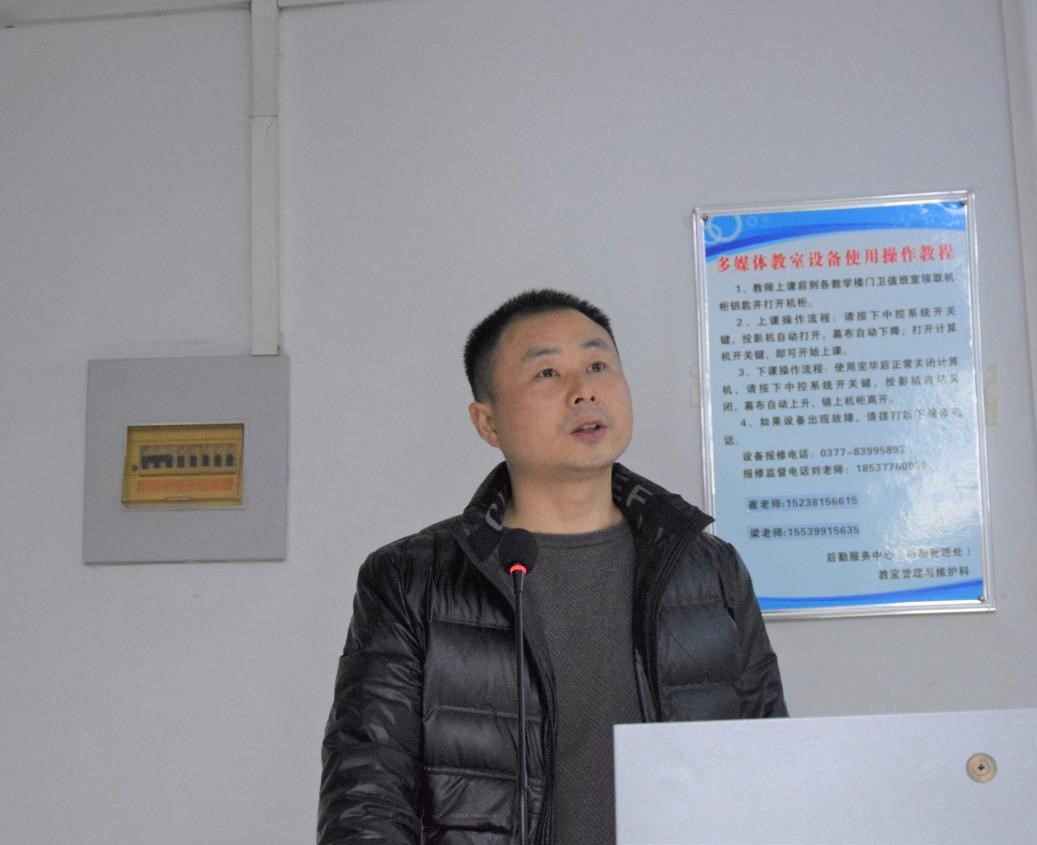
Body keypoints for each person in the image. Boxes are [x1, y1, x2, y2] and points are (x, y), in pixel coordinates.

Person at [318, 289, 787, 843]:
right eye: (546, 373)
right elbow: (366, 800)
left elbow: (771, 765)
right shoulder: (412, 579)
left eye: (597, 365)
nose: (584, 390)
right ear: (487, 422)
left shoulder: (708, 568)